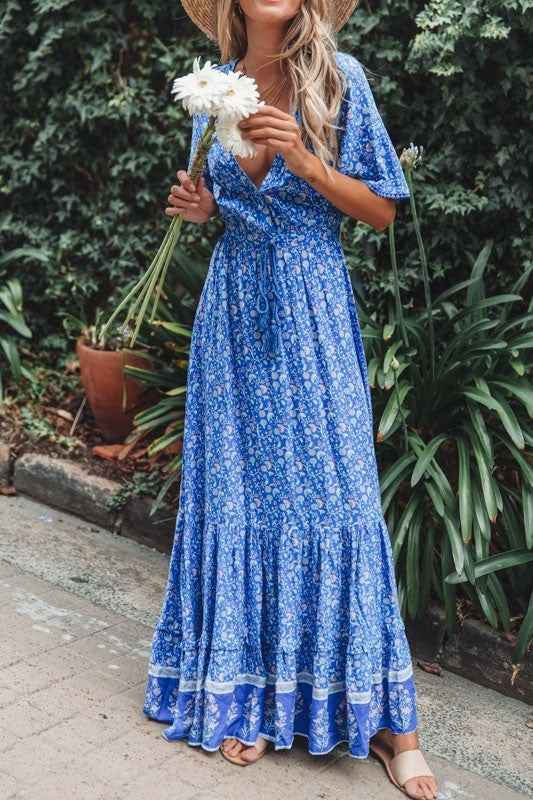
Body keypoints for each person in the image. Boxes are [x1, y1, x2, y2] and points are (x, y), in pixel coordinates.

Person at [142, 2, 439, 799]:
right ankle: (255, 695)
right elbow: (228, 203)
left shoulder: (340, 81)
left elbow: (379, 211)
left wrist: (308, 164)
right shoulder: (211, 89)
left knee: (340, 500)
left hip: (310, 309)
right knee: (242, 500)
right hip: (234, 311)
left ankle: (390, 727)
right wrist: (204, 209)